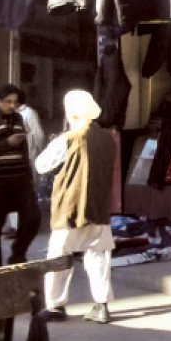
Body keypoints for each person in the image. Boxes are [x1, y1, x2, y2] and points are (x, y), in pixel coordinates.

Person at [36, 90, 116, 324]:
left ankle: (55, 306)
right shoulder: (108, 138)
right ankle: (101, 306)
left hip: (70, 206)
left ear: (71, 112)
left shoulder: (68, 138)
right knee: (99, 256)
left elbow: (42, 165)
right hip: (99, 206)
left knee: (59, 256)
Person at [0, 83, 41, 267]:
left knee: (32, 218)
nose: (12, 106)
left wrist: (30, 178)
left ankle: (17, 254)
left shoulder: (18, 118)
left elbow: (24, 151)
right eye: (8, 102)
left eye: (15, 102)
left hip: (20, 179)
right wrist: (7, 143)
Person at [3, 88, 47, 235]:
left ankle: (23, 226)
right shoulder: (11, 114)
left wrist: (40, 153)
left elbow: (39, 135)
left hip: (27, 157)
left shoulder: (29, 113)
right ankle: (15, 226)